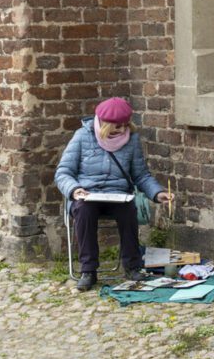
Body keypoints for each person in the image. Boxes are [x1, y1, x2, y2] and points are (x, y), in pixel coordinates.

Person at [55, 97, 173, 291]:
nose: (121, 130)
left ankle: (132, 266)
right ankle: (88, 270)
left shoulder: (132, 140)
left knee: (128, 210)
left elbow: (141, 175)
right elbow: (63, 172)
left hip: (118, 194)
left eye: (124, 126)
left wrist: (157, 193)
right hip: (87, 193)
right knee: (84, 211)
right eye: (116, 127)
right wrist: (75, 190)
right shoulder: (82, 136)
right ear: (103, 123)